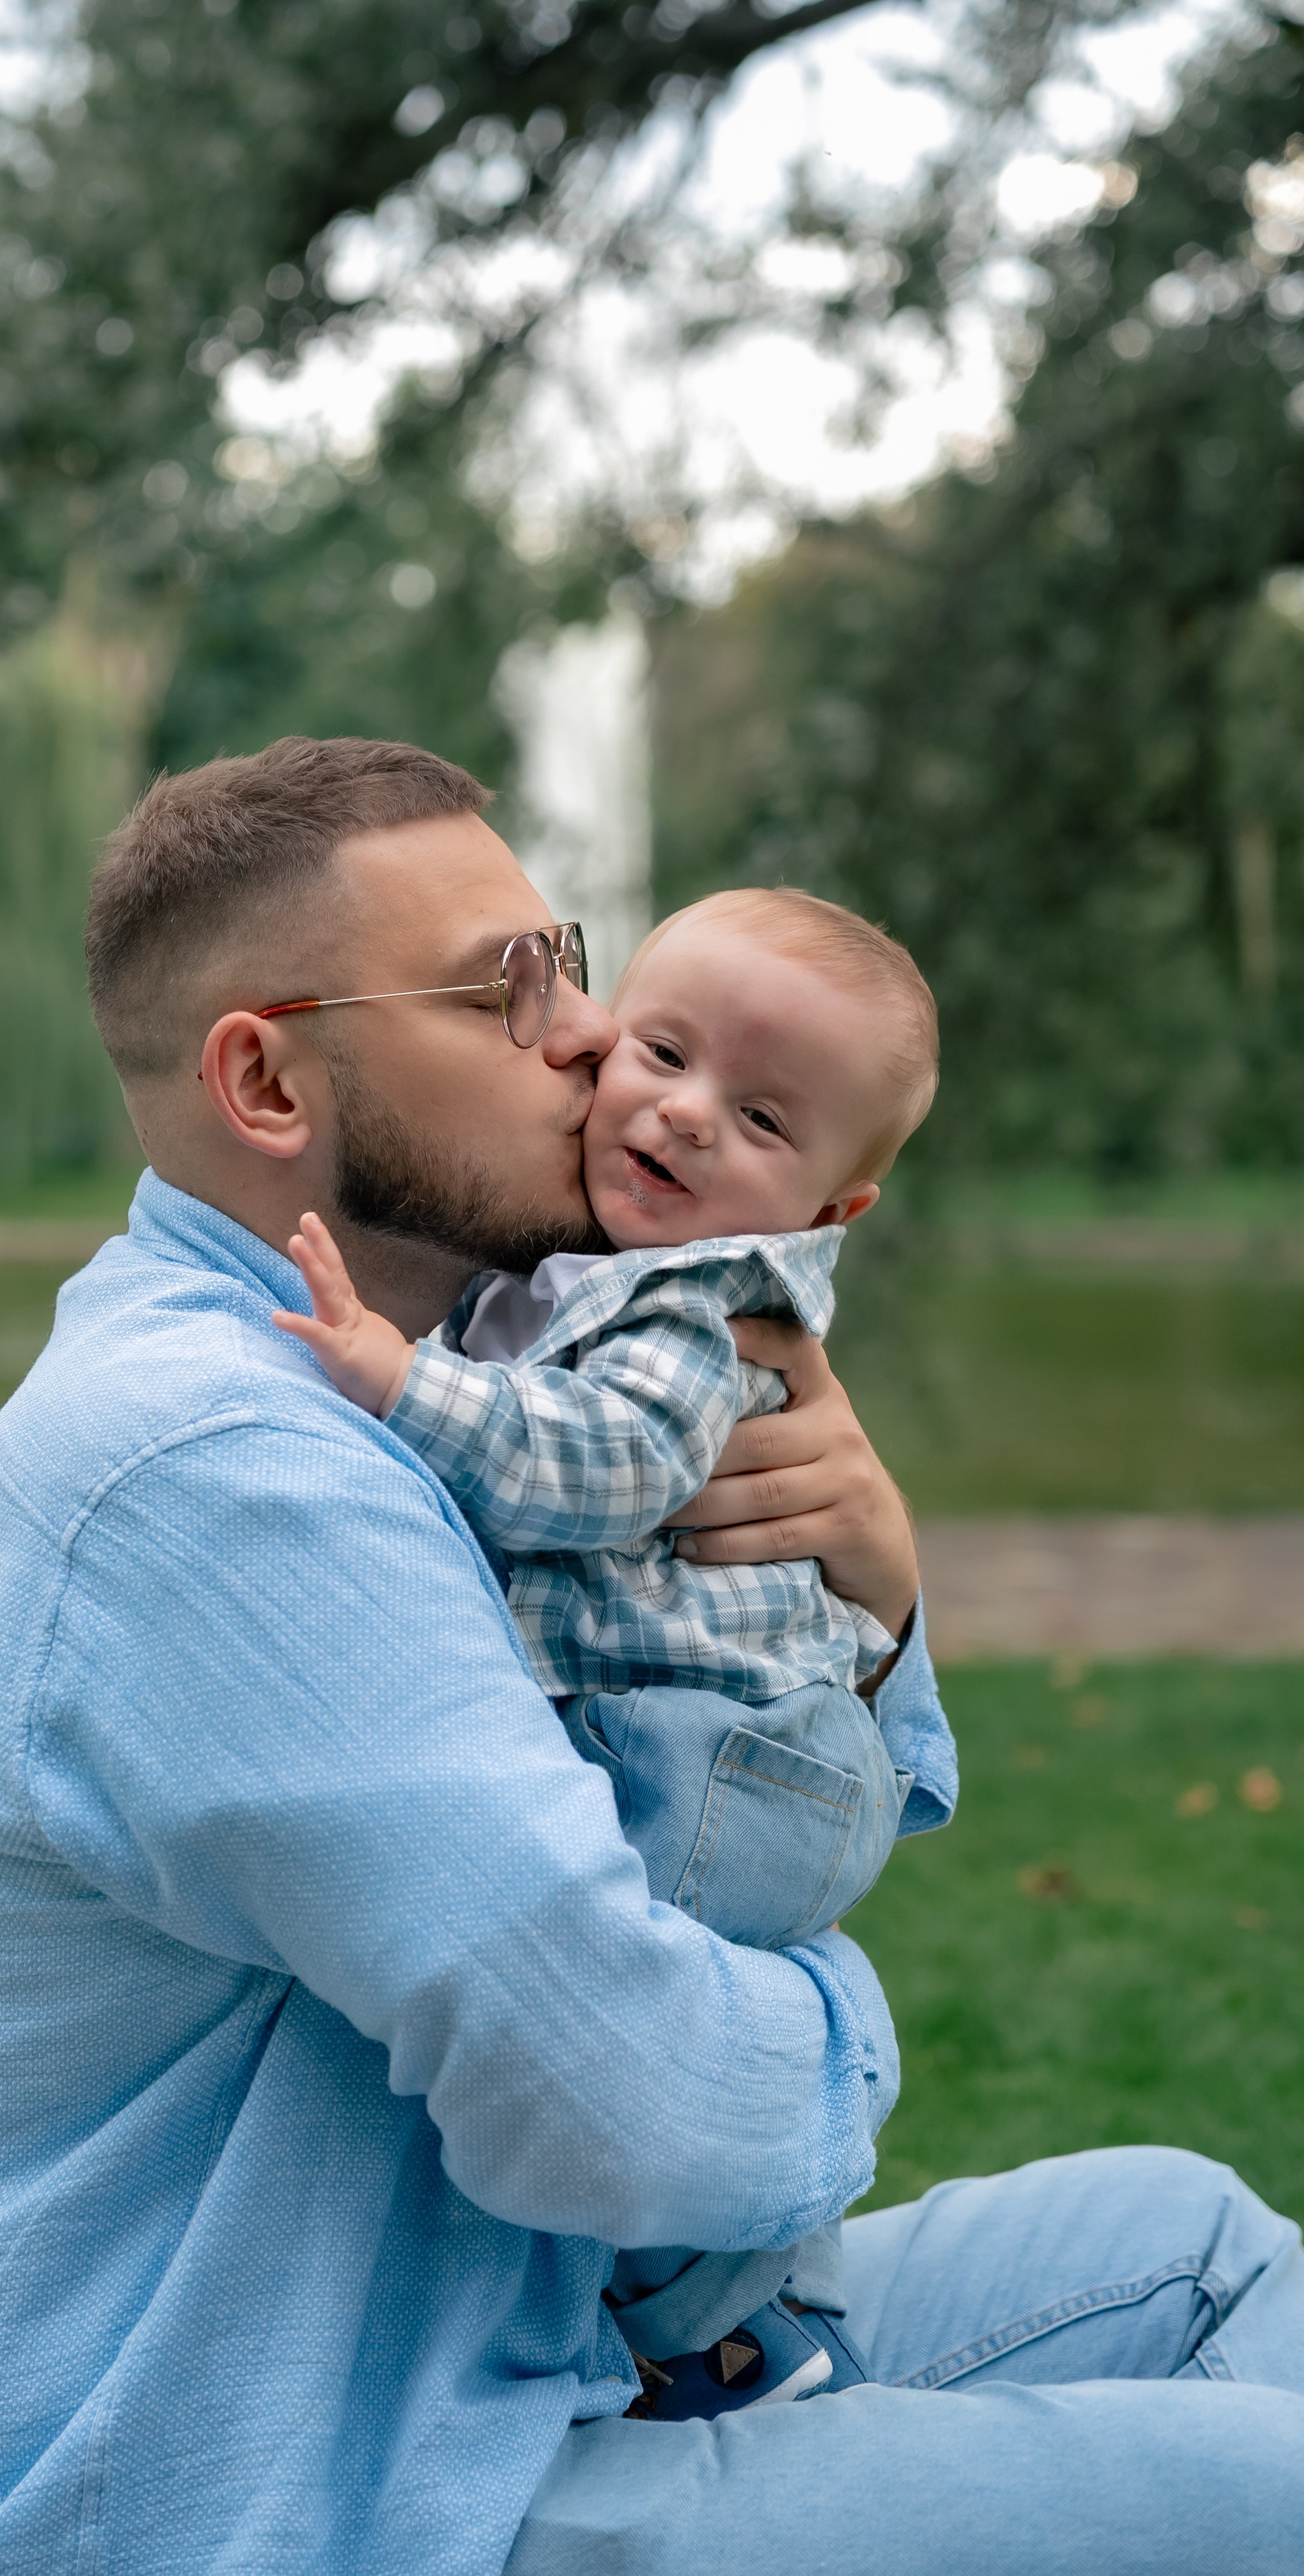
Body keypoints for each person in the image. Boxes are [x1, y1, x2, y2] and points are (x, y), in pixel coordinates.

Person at [0, 738, 1304, 2576]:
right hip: (307, 2499)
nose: (586, 1034)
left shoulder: (464, 1378)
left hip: (483, 2354)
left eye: (564, 961)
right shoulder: (223, 1466)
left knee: (1195, 2251)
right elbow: (629, 2109)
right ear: (266, 1080)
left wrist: (873, 1600)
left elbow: (711, 1717)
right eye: (501, 990)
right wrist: (845, 2023)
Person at [273, 884, 951, 2417]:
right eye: (662, 1051)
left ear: (830, 1212)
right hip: (709, 1733)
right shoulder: (575, 1267)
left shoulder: (696, 1302)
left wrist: (399, 1383)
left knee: (614, 2024)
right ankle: (739, 2324)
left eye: (761, 1119)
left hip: (712, 1756)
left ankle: (713, 2330)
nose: (684, 1113)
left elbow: (606, 1467)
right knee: (627, 2014)